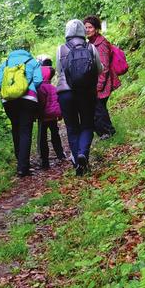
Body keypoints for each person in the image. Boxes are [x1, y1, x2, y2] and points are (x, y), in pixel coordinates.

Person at [56, 19, 103, 176]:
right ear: (83, 31)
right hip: (86, 91)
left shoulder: (61, 48)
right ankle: (83, 153)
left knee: (72, 127)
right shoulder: (90, 47)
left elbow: (58, 71)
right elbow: (99, 69)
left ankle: (77, 161)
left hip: (66, 93)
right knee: (87, 125)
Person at [0, 46, 43, 177]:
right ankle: (23, 167)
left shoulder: (4, 63)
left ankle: (19, 161)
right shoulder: (32, 62)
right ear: (27, 53)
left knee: (15, 128)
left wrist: (13, 89)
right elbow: (39, 80)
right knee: (25, 131)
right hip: (28, 99)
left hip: (8, 101)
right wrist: (25, 86)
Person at [83, 15, 120, 139]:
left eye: (90, 27)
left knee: (99, 109)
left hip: (103, 82)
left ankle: (108, 132)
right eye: (85, 27)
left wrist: (99, 85)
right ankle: (106, 133)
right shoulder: (91, 42)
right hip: (96, 82)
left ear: (96, 28)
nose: (87, 30)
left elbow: (104, 67)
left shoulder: (101, 43)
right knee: (98, 108)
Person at [36, 58, 65, 169]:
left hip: (43, 118)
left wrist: (38, 114)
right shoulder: (53, 88)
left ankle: (45, 161)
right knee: (55, 135)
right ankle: (60, 154)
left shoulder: (39, 88)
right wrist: (60, 114)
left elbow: (40, 104)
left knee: (42, 138)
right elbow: (58, 102)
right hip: (52, 117)